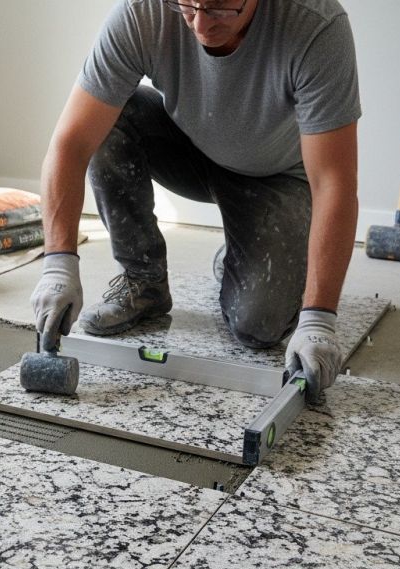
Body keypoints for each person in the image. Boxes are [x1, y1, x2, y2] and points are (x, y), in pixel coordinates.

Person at [31, 0, 361, 400]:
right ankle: (145, 282)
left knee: (258, 327)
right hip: (189, 148)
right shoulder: (144, 12)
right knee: (109, 122)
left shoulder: (316, 26)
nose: (201, 24)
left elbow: (334, 184)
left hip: (274, 177)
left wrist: (319, 318)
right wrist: (58, 264)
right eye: (188, 5)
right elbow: (71, 142)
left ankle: (242, 253)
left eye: (221, 8)